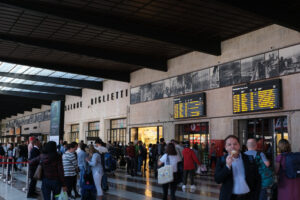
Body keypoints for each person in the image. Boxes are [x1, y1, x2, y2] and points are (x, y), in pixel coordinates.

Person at [215, 135, 260, 200]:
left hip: (247, 196)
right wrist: (227, 166)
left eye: (235, 144)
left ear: (239, 146)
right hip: (230, 197)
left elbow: (257, 179)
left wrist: (255, 196)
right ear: (226, 147)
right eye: (229, 144)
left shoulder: (249, 158)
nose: (232, 146)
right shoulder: (221, 160)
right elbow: (217, 179)